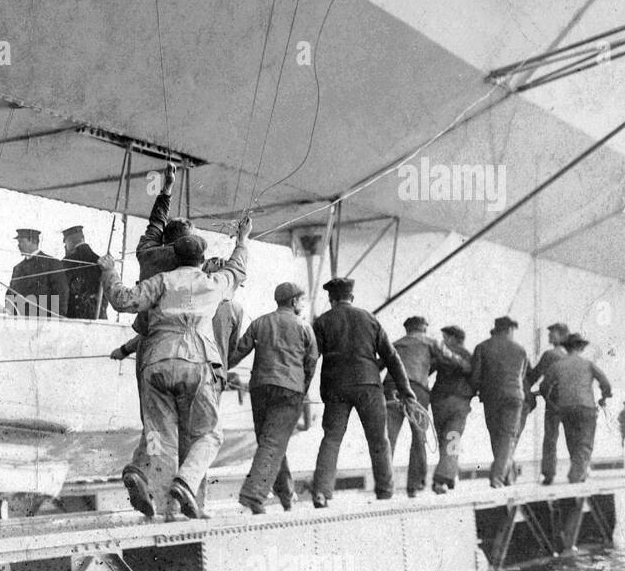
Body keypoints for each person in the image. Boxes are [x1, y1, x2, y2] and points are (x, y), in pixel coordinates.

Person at [99, 220, 251, 519]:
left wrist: (108, 271)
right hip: (197, 363)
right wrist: (243, 238)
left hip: (156, 363)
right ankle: (186, 482)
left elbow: (123, 300)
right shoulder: (214, 283)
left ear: (175, 255)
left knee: (159, 435)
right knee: (209, 434)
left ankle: (158, 494)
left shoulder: (161, 282)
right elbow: (237, 268)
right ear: (201, 259)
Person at [310, 278, 414, 506]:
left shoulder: (322, 321)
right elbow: (391, 356)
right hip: (368, 385)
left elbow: (311, 358)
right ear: (352, 297)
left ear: (331, 299)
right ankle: (385, 492)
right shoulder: (369, 319)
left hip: (335, 387)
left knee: (332, 438)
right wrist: (405, 389)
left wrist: (303, 387)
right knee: (378, 440)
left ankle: (321, 492)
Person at [230, 282, 318, 513]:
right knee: (274, 442)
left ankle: (286, 495)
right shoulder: (304, 327)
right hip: (289, 391)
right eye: (301, 299)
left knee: (270, 442)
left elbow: (238, 352)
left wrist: (218, 370)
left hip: (260, 390)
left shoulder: (260, 322)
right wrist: (302, 388)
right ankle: (253, 495)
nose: (302, 303)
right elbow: (311, 363)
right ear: (293, 302)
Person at [384, 316, 465, 497]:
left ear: (407, 329)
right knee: (419, 437)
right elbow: (450, 358)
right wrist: (465, 366)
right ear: (423, 328)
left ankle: (384, 487)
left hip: (390, 388)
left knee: (387, 439)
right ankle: (415, 485)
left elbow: (378, 365)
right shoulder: (430, 342)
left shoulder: (395, 344)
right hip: (416, 390)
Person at [539, 333, 612, 483]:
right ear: (581, 347)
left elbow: (544, 386)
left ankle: (580, 472)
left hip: (565, 408)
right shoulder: (588, 364)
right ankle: (576, 474)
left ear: (566, 348)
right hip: (586, 408)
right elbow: (605, 383)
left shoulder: (557, 365)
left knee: (572, 443)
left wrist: (552, 402)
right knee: (584, 444)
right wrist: (604, 396)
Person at [470, 316, 528, 487]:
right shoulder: (520, 349)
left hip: (491, 397)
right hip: (514, 396)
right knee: (507, 436)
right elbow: (522, 375)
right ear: (510, 330)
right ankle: (503, 476)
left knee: (496, 435)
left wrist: (476, 391)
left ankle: (498, 477)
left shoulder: (482, 347)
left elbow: (475, 376)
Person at [429, 325, 475, 493]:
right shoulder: (469, 355)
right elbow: (474, 376)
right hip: (459, 403)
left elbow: (428, 369)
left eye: (445, 337)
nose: (443, 341)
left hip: (439, 401)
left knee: (444, 439)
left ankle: (448, 476)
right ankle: (445, 478)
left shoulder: (442, 354)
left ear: (453, 338)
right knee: (453, 439)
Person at [525, 322, 570, 483]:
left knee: (551, 437)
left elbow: (533, 376)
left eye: (553, 333)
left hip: (554, 402)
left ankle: (549, 473)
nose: (549, 335)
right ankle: (581, 470)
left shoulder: (550, 355)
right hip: (572, 402)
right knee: (573, 438)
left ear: (562, 336)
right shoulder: (572, 356)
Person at [8, 229, 68, 318]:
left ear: (34, 241)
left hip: (43, 321)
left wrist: (57, 319)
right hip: (20, 322)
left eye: (21, 242)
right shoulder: (17, 268)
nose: (18, 246)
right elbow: (10, 294)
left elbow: (61, 293)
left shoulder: (52, 264)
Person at [60, 226, 105, 320]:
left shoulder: (67, 262)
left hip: (75, 320)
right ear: (82, 239)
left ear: (69, 241)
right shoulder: (100, 261)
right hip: (99, 319)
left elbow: (61, 292)